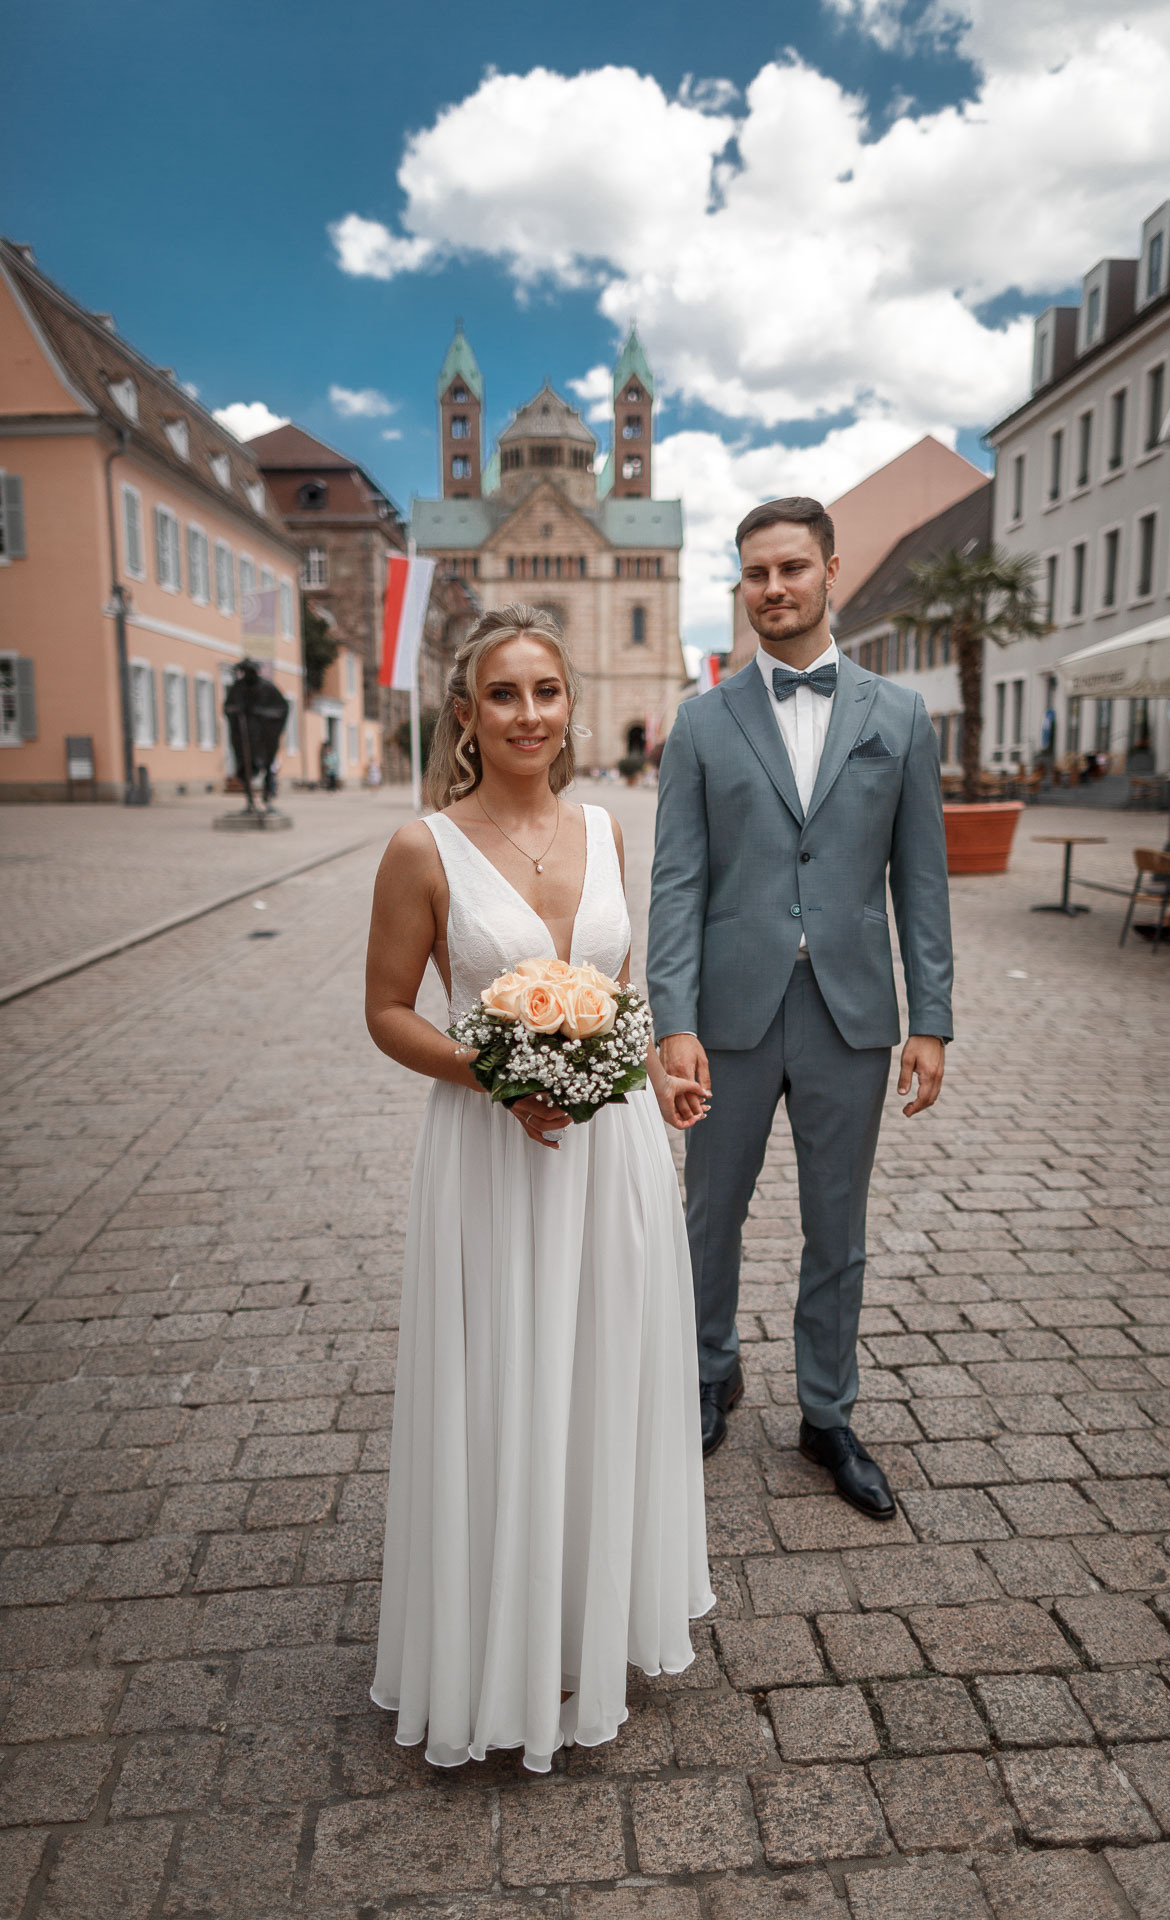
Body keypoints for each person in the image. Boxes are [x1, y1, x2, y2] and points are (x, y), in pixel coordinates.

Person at [364, 603, 713, 1772]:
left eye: (545, 693)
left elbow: (622, 985)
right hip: (493, 1151)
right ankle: (495, 1640)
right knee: (507, 1375)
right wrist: (497, 1070)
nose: (527, 714)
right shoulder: (423, 847)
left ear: (570, 708)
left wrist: (661, 1063)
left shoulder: (609, 828)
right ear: (466, 713)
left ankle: (585, 1614)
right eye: (502, 694)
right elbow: (386, 1013)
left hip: (611, 1151)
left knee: (603, 1372)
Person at [648, 498, 954, 1520]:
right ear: (738, 588)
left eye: (789, 568)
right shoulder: (698, 722)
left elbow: (920, 882)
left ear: (831, 571)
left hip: (849, 1015)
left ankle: (827, 1414)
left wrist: (932, 1020)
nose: (770, 588)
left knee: (837, 1226)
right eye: (752, 574)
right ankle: (707, 1369)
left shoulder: (898, 718)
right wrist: (671, 1020)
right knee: (708, 1214)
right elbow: (676, 885)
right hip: (725, 1015)